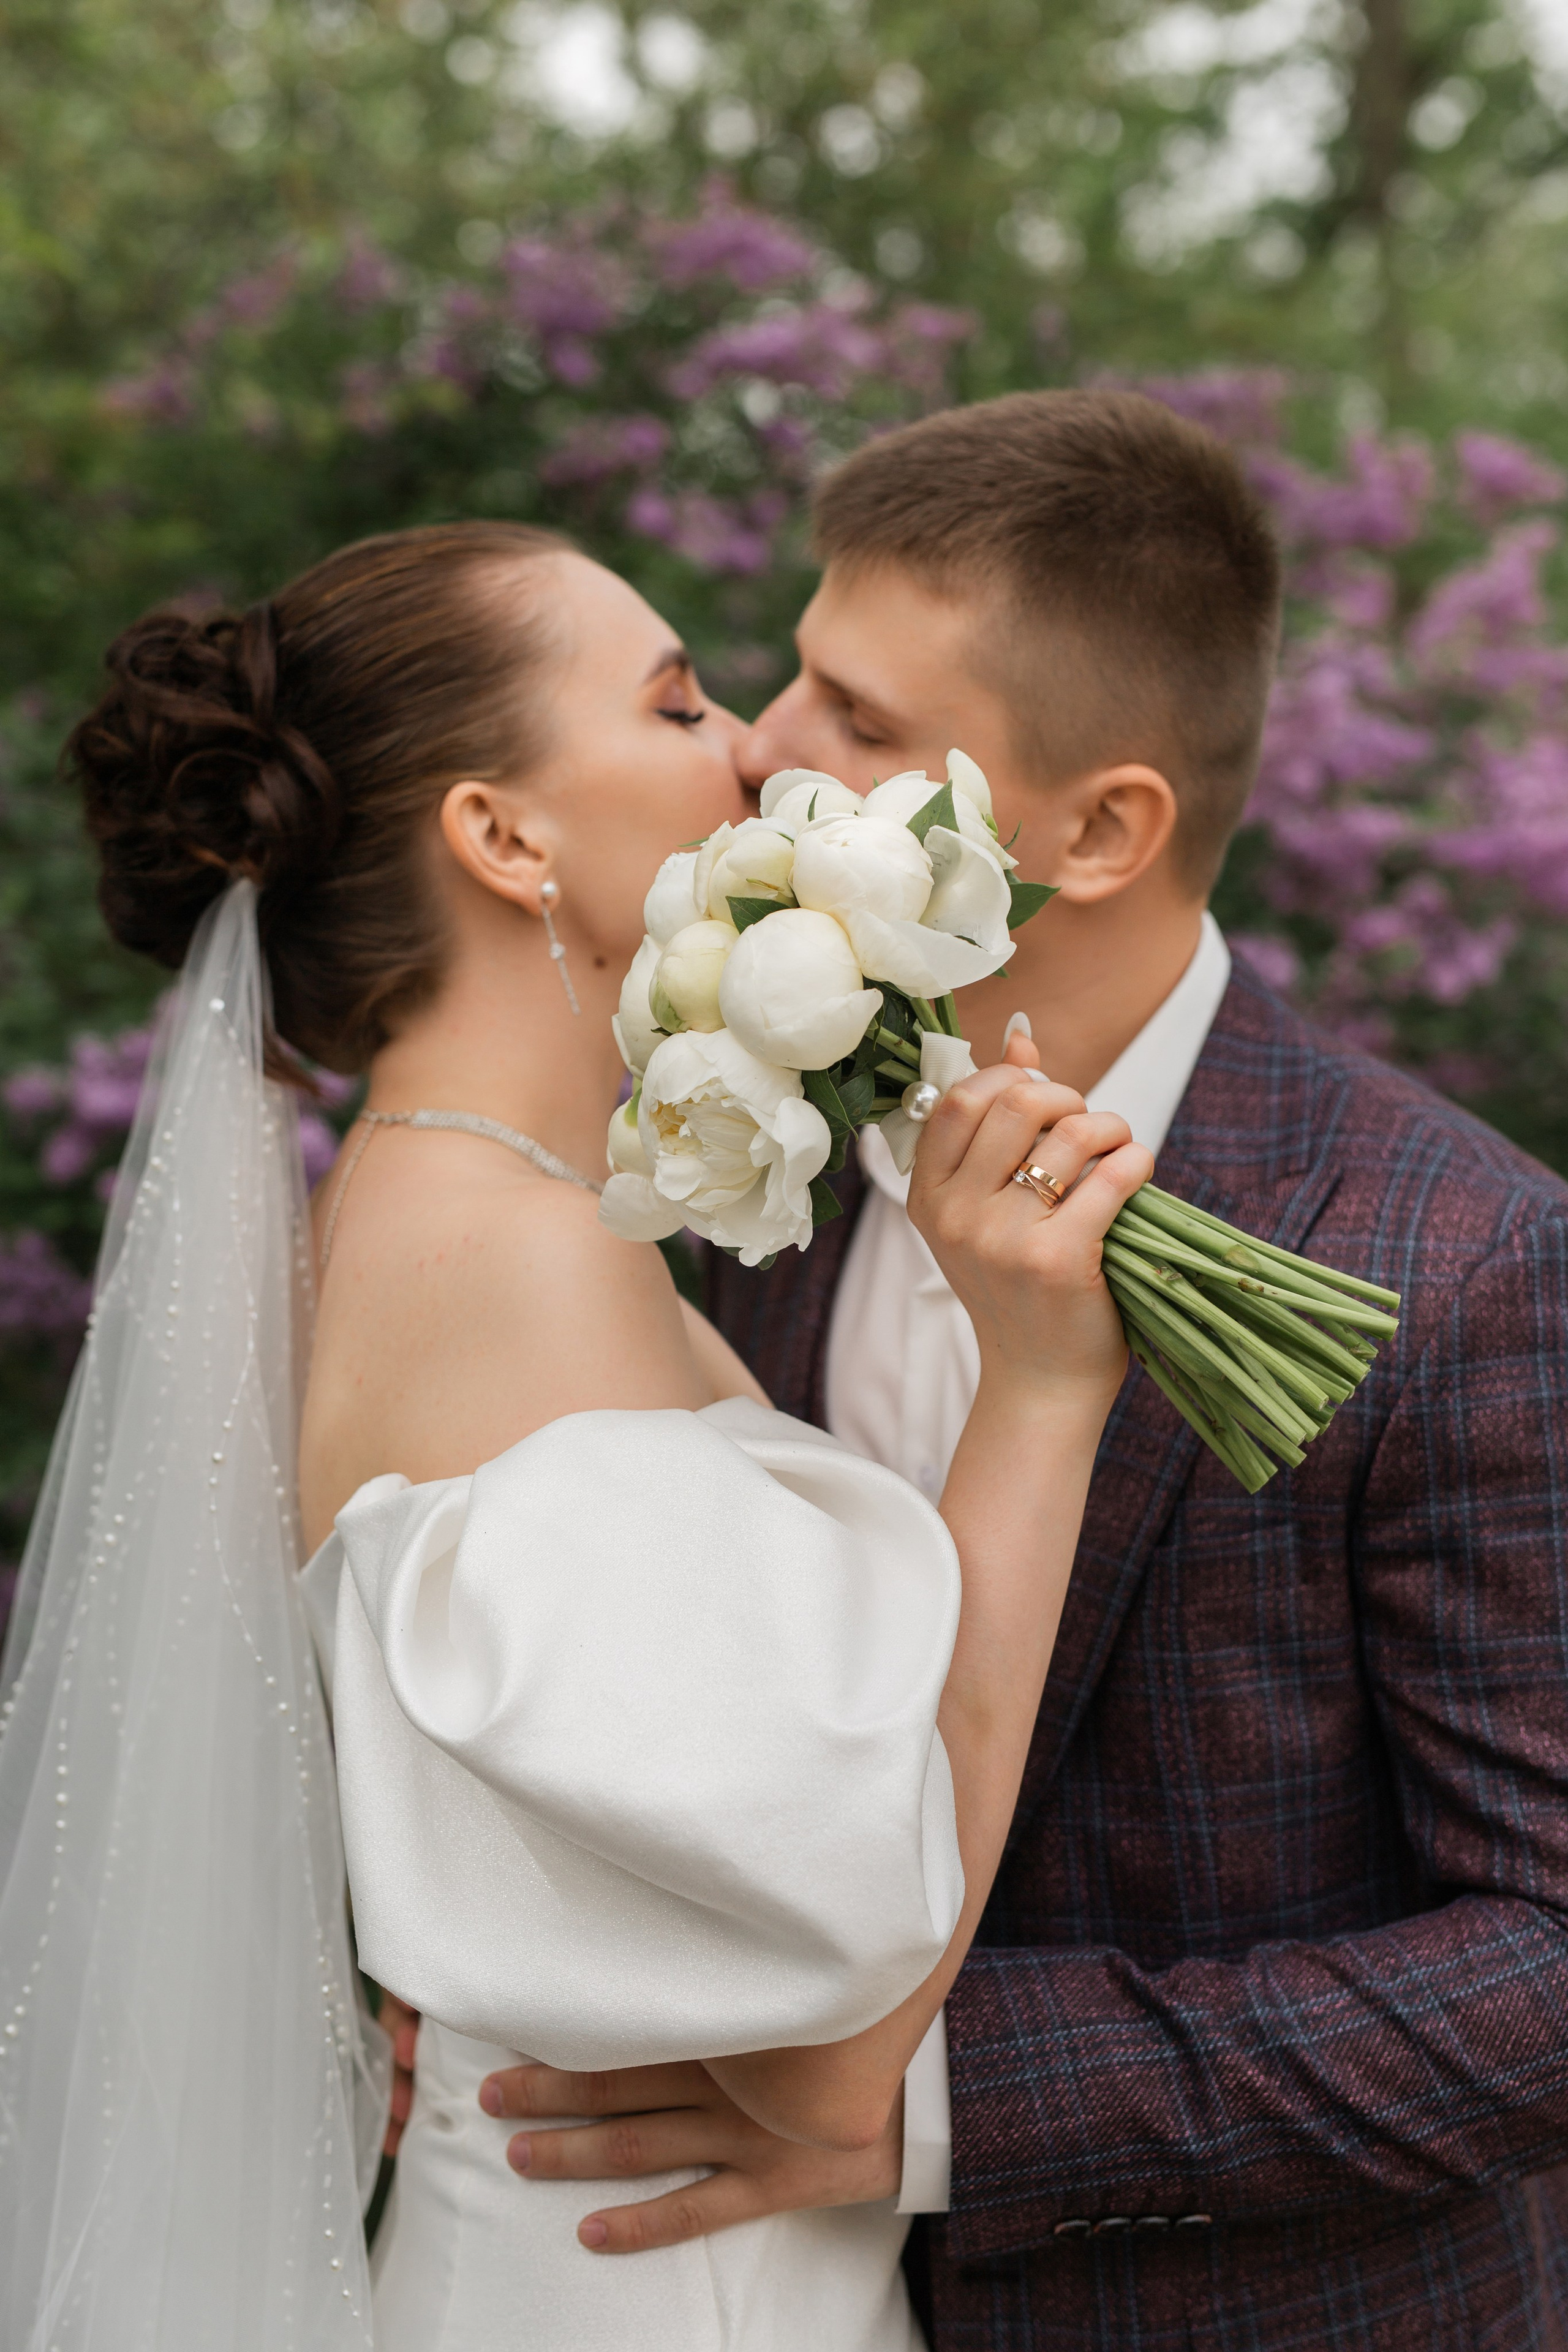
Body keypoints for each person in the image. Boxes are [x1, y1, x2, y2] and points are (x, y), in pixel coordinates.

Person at [0, 518, 1154, 2352]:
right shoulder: (504, 1264)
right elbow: (829, 2064)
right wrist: (1044, 1389)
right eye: (681, 700)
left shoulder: (493, 1214)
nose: (760, 753)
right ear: (504, 835)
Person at [488, 394, 1568, 2350]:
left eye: (864, 726)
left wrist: (932, 2101)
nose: (759, 749)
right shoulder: (749, 1149)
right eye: (792, 676)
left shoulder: (1465, 1262)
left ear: (1101, 829)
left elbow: (1552, 1963)